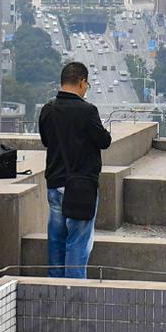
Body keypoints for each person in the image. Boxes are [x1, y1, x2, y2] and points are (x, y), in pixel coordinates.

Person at [38, 60, 110, 279]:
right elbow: (104, 141)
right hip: (80, 187)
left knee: (56, 241)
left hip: (55, 184)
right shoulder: (87, 111)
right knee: (77, 244)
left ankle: (55, 290)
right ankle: (75, 293)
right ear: (82, 82)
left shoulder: (48, 109)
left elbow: (46, 140)